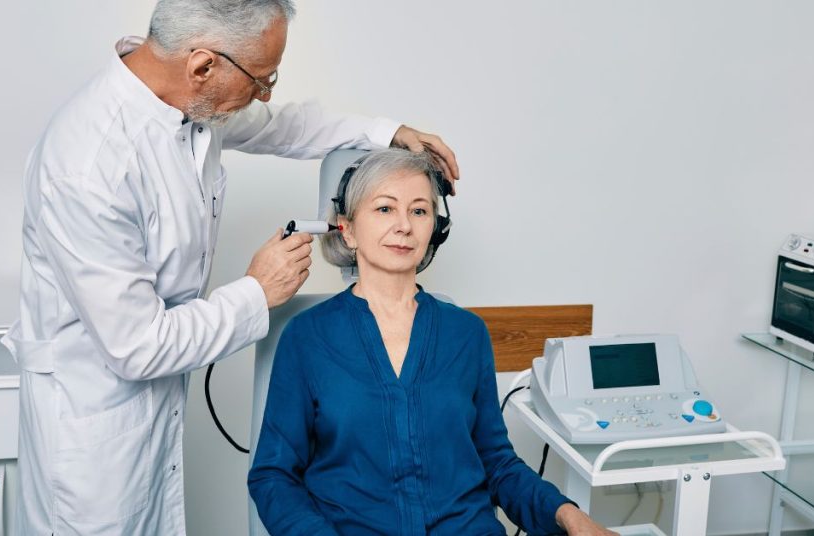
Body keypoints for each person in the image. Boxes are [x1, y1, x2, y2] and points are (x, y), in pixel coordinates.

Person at [3, 1, 460, 533]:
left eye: (418, 211)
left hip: (151, 411)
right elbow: (137, 345)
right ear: (203, 66)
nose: (264, 95)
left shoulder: (186, 103)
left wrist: (387, 130)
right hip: (92, 429)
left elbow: (284, 127)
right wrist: (257, 291)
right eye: (262, 80)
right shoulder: (86, 167)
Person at [248, 149, 615, 535]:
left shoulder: (467, 333)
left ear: (434, 229)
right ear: (348, 229)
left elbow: (497, 463)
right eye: (385, 208)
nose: (404, 226)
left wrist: (568, 515)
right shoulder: (307, 337)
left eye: (419, 211)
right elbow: (273, 477)